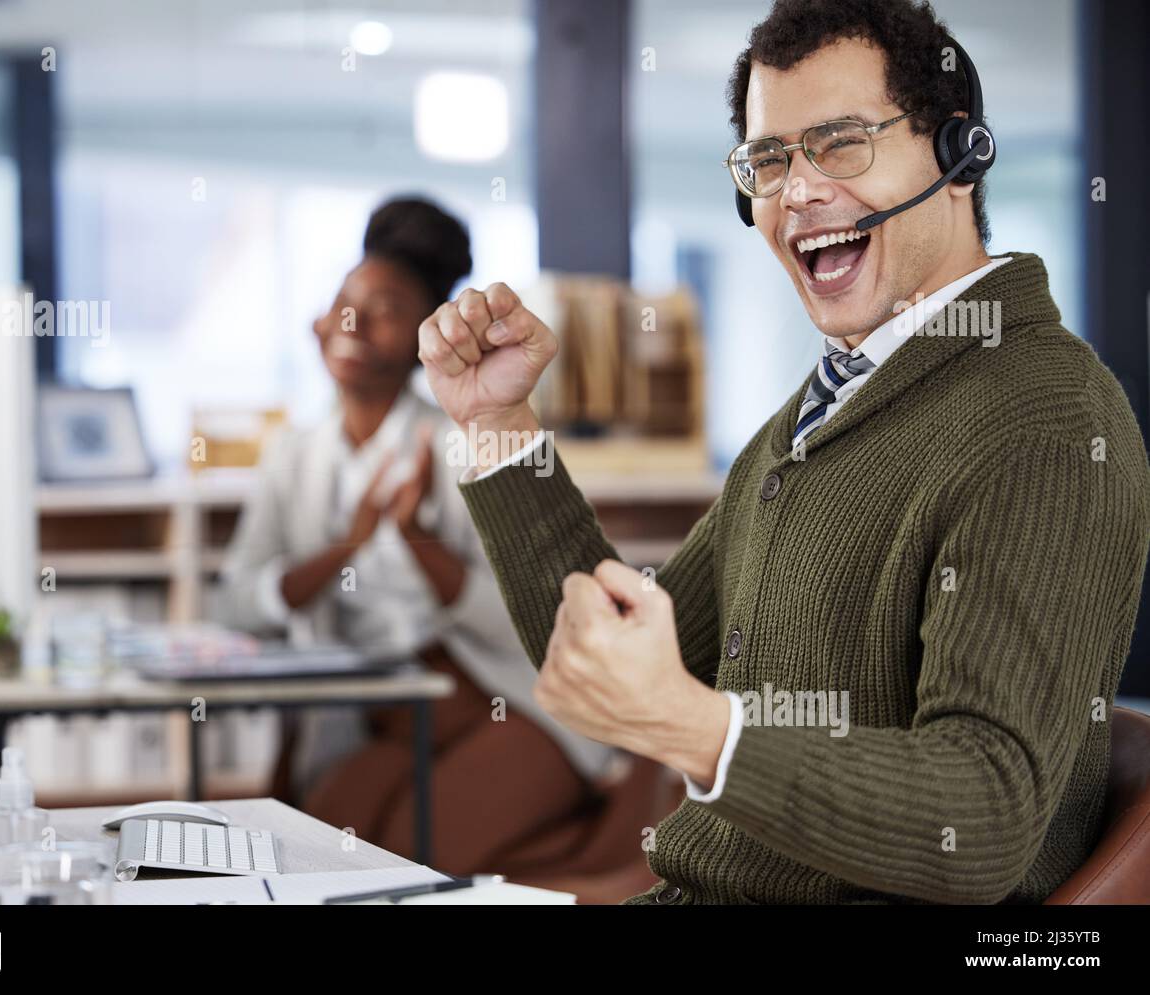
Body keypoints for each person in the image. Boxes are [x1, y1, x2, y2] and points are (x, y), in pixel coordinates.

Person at [416, 0, 1150, 904]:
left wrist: (700, 730)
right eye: (769, 161)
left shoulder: (1045, 419)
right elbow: (612, 660)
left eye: (840, 143)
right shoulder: (822, 413)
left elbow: (983, 818)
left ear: (959, 154)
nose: (796, 192)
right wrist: (500, 424)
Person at [219, 196, 614, 875]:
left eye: (387, 308)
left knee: (411, 852)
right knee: (325, 850)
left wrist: (416, 538)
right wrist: (342, 550)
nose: (354, 321)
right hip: (382, 721)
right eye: (345, 302)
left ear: (422, 339)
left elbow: (533, 621)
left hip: (500, 706)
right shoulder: (295, 454)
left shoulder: (461, 439)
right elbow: (234, 605)